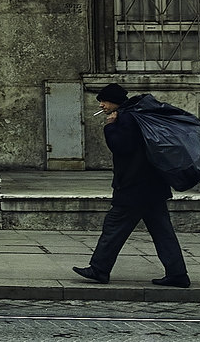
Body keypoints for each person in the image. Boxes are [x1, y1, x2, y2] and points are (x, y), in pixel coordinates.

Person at [71, 82, 189, 288]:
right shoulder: (137, 115)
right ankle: (177, 273)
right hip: (153, 187)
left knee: (114, 227)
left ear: (114, 102)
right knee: (163, 232)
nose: (101, 105)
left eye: (104, 101)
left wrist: (110, 127)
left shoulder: (126, 118)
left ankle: (99, 269)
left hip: (134, 187)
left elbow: (122, 147)